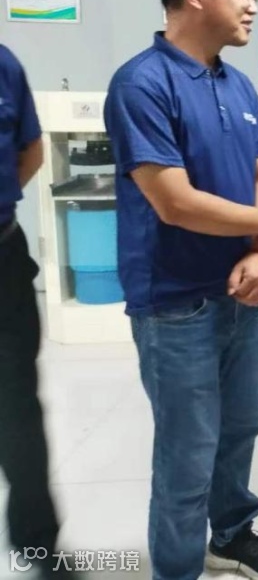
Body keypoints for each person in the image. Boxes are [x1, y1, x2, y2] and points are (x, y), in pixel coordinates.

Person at [104, 0, 258, 580]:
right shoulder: (142, 84)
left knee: (241, 427)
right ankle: (178, 568)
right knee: (187, 454)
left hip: (241, 289)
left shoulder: (237, 85)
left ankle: (233, 534)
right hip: (174, 303)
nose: (253, 6)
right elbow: (173, 201)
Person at [0, 44, 72, 578]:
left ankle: (38, 544)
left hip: (3, 254)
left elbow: (31, 148)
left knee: (18, 408)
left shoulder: (4, 64)